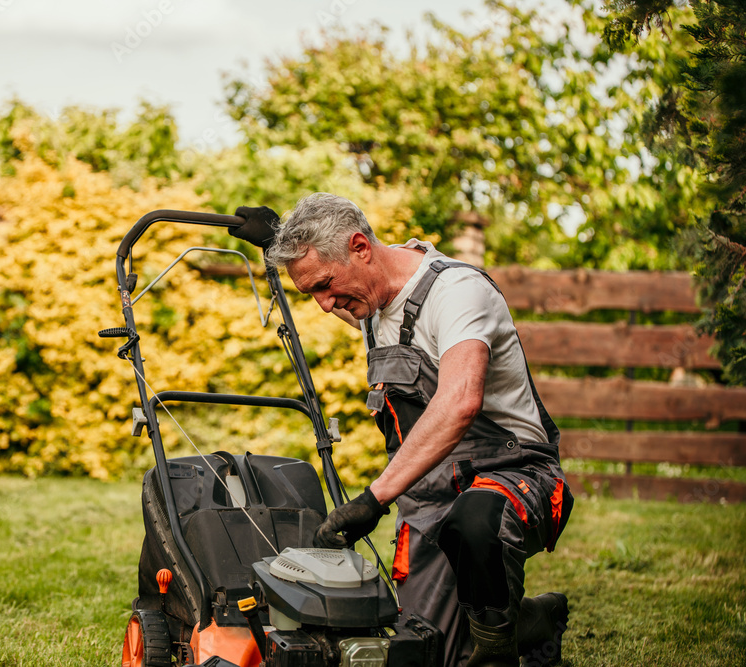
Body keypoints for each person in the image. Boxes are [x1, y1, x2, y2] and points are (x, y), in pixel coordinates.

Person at [231, 195, 574, 667]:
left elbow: (460, 401)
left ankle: (498, 653)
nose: (325, 305)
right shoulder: (370, 300)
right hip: (430, 498)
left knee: (475, 523)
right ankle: (530, 621)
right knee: (419, 654)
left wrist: (373, 500)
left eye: (326, 286)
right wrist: (277, 239)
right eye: (312, 293)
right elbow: (338, 284)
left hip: (514, 477)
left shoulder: (455, 292)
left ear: (360, 247)